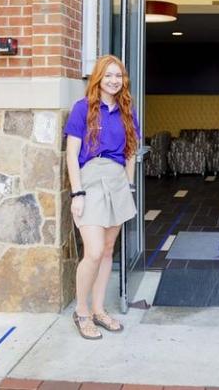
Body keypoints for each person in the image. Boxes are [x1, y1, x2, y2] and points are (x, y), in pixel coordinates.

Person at [64, 54, 139, 340]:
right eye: (108, 75)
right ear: (98, 77)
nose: (113, 80)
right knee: (93, 252)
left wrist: (129, 186)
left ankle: (98, 309)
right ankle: (81, 311)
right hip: (90, 181)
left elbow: (130, 150)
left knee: (108, 251)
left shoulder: (126, 111)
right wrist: (78, 192)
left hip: (117, 182)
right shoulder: (82, 109)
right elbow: (72, 154)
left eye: (118, 76)